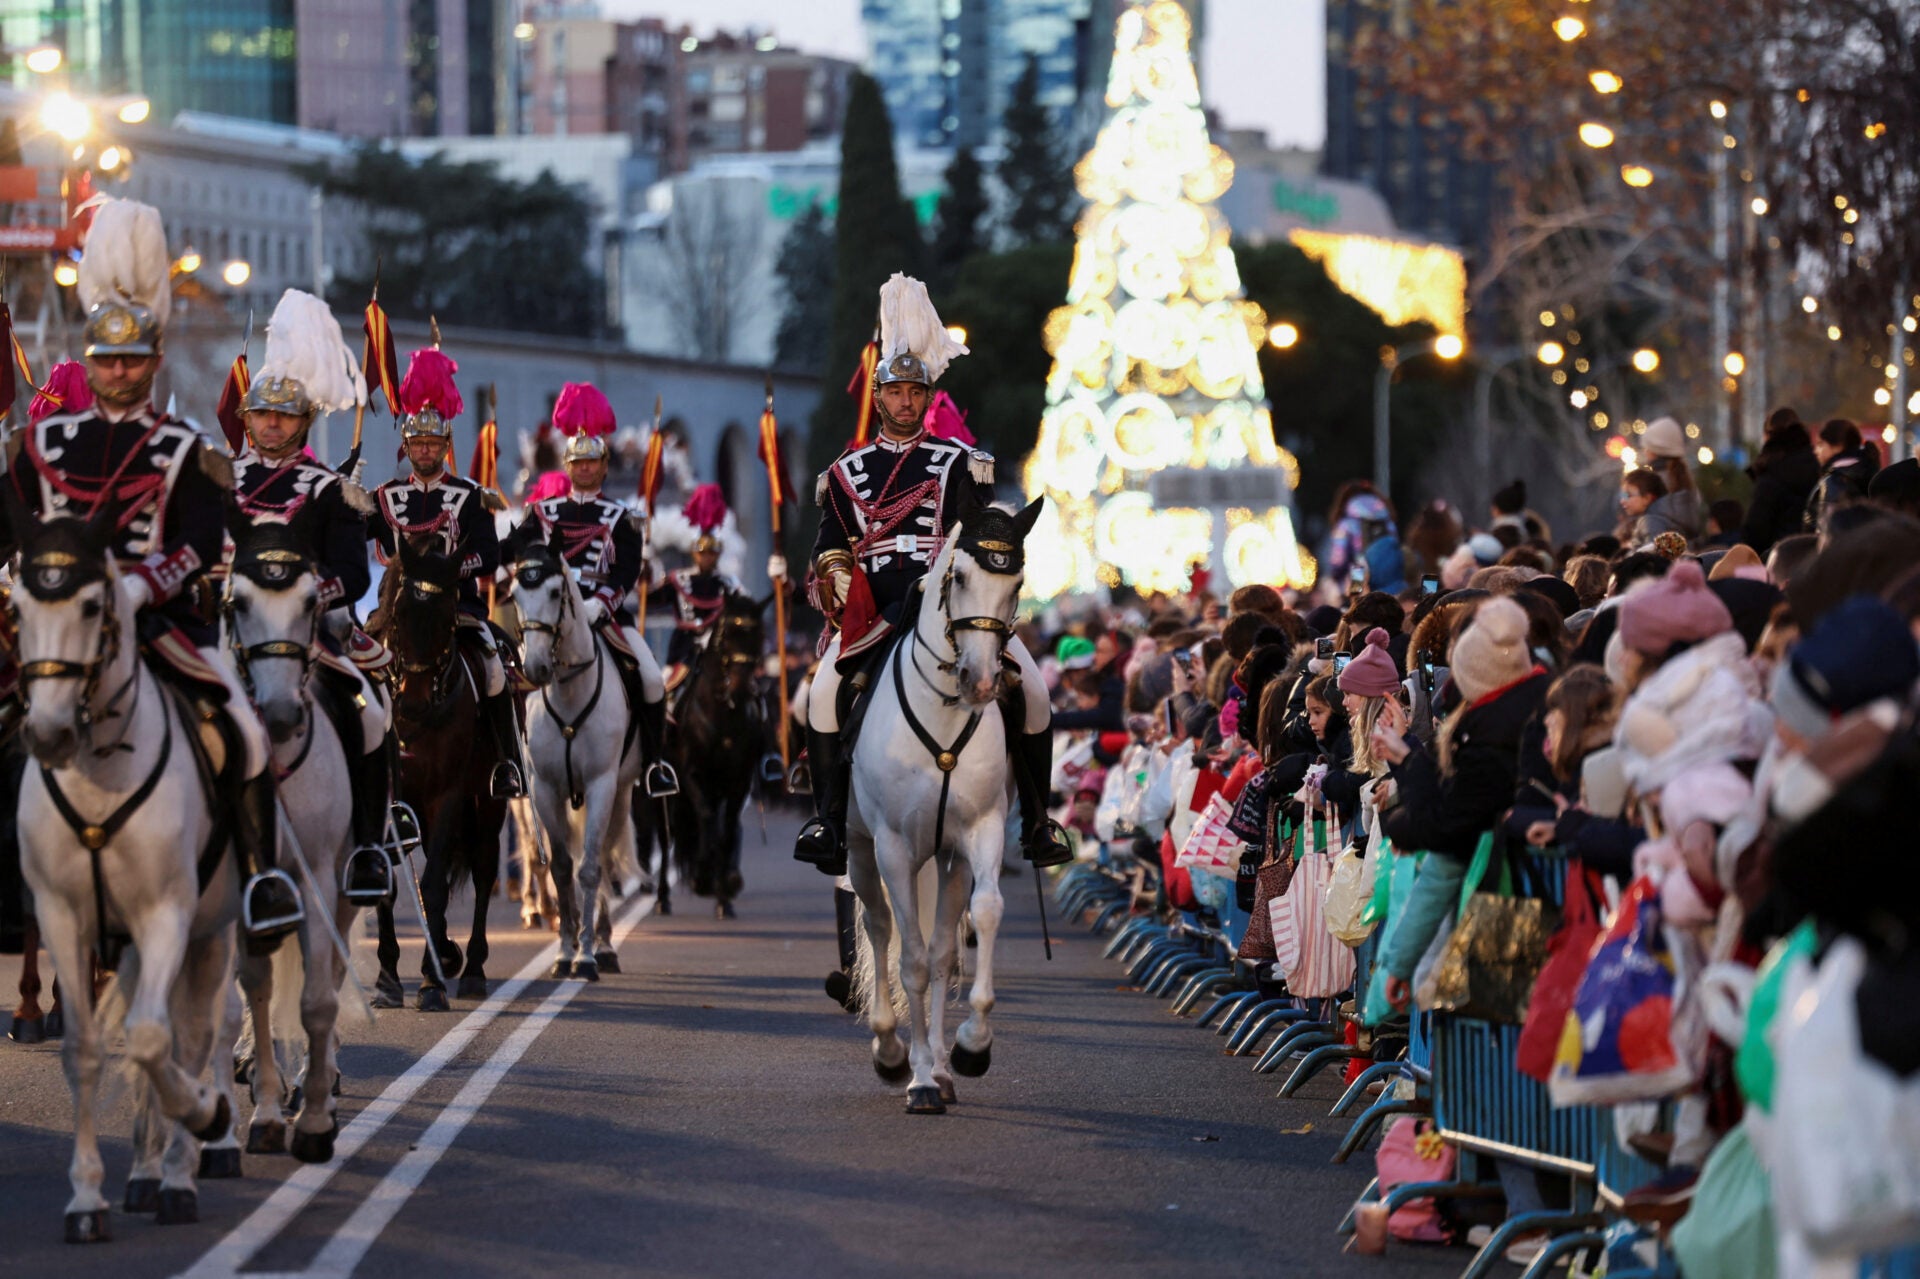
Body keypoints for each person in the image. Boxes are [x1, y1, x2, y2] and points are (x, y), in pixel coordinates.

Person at [0, 199, 302, 949]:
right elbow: (14, 521)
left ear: (155, 359)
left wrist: (142, 585)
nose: (119, 372)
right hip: (63, 619)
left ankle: (263, 879)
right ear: (91, 360)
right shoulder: (43, 442)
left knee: (244, 729)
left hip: (162, 622)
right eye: (107, 360)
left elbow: (201, 539)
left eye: (133, 359)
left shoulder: (185, 445)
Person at [794, 274, 1068, 875]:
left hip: (952, 602)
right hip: (875, 607)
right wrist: (837, 573)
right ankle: (828, 820)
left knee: (1036, 692)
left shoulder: (961, 464)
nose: (907, 403)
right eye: (896, 393)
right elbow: (829, 541)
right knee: (821, 692)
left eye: (916, 393)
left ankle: (1040, 822)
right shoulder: (847, 470)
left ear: (927, 396)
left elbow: (982, 533)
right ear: (879, 395)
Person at [232, 288, 394, 901]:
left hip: (312, 633)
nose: (272, 425)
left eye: (284, 416)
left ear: (304, 421)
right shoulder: (223, 482)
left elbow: (353, 575)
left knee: (372, 714)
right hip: (241, 631)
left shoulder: (331, 489)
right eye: (262, 415)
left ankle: (369, 848)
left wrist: (307, 597)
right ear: (248, 419)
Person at [367, 346, 525, 799]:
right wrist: (346, 498)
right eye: (418, 444)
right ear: (407, 446)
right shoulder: (385, 495)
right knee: (356, 666)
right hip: (396, 611)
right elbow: (354, 533)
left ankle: (507, 763)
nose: (425, 451)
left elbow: (489, 556)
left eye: (433, 444)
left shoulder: (470, 495)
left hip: (458, 609)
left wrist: (450, 573)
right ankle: (368, 766)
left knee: (495, 671)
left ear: (445, 447)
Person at [516, 380, 674, 796]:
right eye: (578, 462)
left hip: (607, 617)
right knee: (510, 674)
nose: (585, 469)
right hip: (551, 616)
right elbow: (512, 549)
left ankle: (655, 765)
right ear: (567, 466)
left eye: (592, 463)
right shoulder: (543, 511)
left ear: (603, 467)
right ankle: (513, 761)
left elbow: (626, 571)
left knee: (653, 680)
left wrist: (603, 603)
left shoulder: (623, 516)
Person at [1740, 411, 1818, 554]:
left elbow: (1756, 530)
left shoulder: (1770, 472)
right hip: (1815, 555)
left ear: (1768, 436)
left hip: (1780, 558)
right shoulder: (1818, 465)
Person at [1804, 417, 1879, 534]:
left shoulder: (1834, 482)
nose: (1816, 451)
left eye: (1820, 444)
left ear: (1838, 446)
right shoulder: (1873, 473)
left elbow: (1828, 531)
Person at [1638, 418, 1704, 542]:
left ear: (1653, 450)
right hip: (1688, 552)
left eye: (1646, 447)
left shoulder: (1652, 482)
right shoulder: (1687, 481)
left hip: (1660, 549)